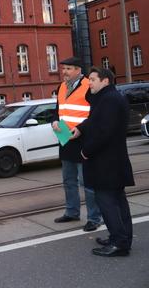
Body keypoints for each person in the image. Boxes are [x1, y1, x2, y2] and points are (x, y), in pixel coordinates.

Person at [71, 67, 134, 257]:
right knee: (117, 201)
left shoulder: (109, 100)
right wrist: (80, 129)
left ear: (105, 81)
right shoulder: (107, 98)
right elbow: (94, 121)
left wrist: (85, 151)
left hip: (106, 162)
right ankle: (121, 238)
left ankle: (119, 243)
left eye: (92, 79)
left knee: (107, 202)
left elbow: (104, 132)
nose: (88, 83)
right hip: (112, 161)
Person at [51, 57, 102, 231]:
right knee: (68, 180)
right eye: (64, 68)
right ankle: (72, 212)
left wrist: (80, 129)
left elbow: (96, 113)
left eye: (69, 68)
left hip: (83, 138)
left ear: (79, 70)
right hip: (65, 138)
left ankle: (94, 218)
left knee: (87, 182)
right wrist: (54, 122)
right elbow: (57, 110)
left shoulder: (90, 85)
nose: (64, 71)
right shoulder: (62, 86)